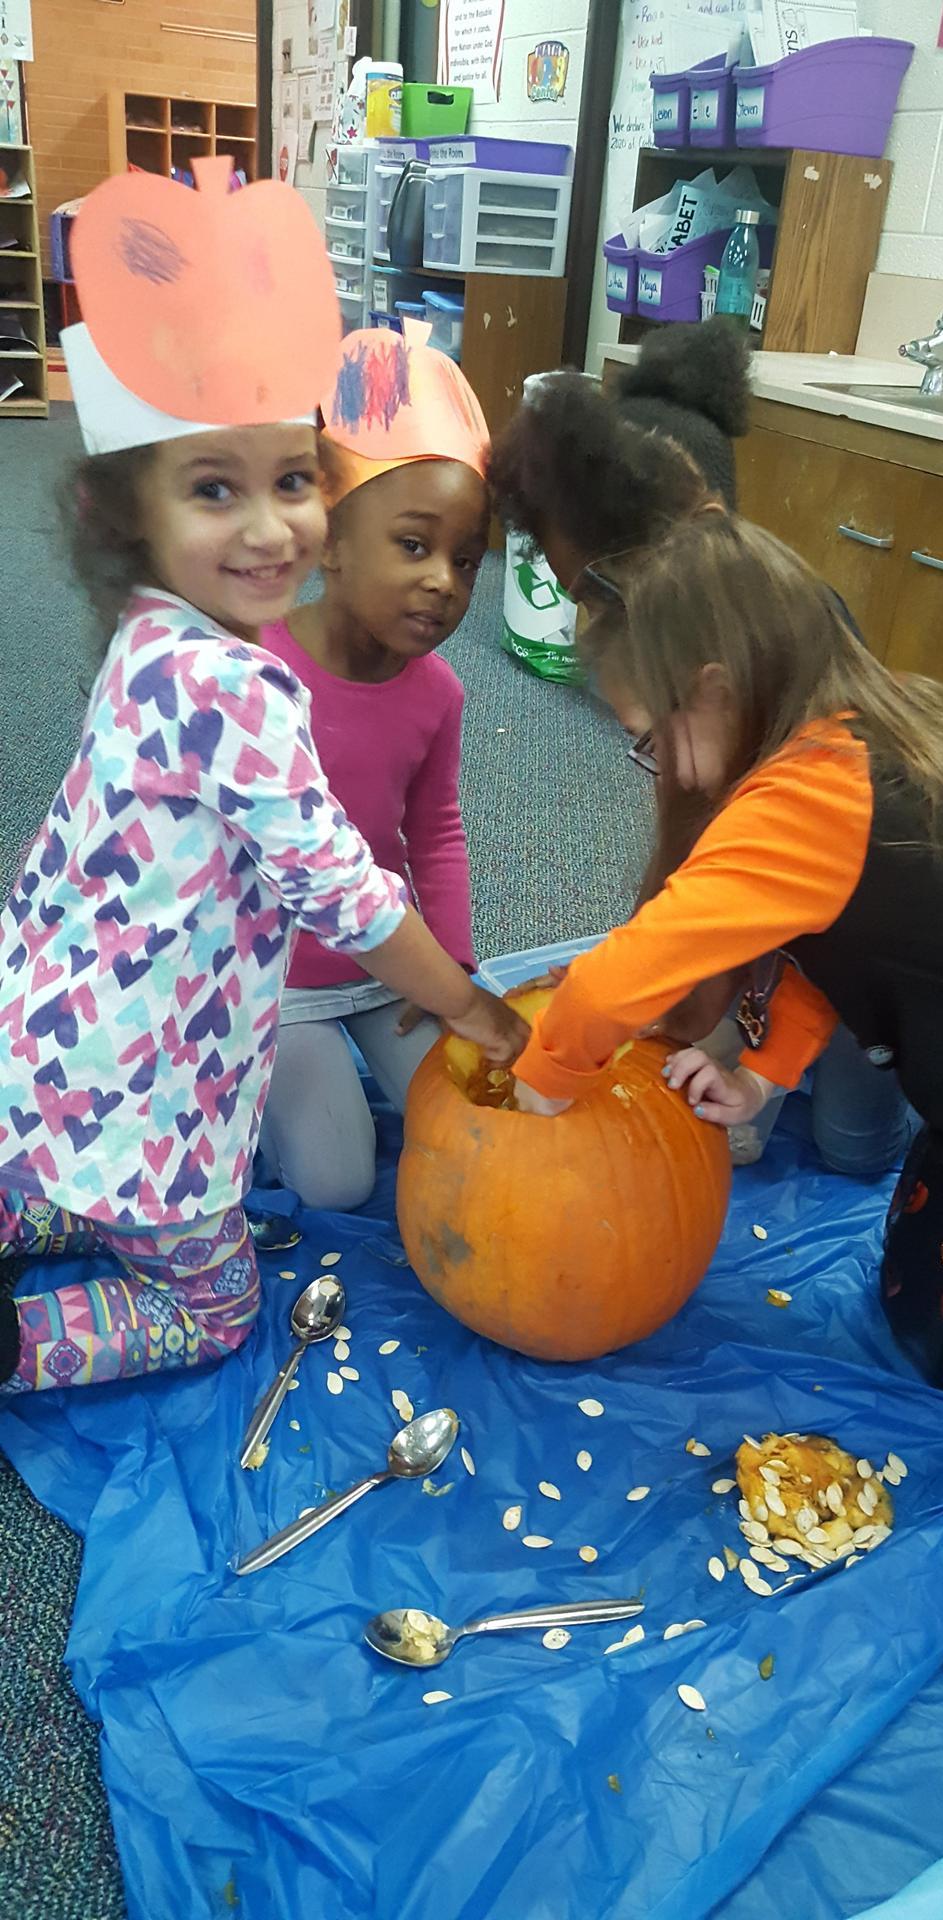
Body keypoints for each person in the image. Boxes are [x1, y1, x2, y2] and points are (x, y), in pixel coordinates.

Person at [0, 164, 523, 1396]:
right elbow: (345, 893)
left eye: (291, 481)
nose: (268, 529)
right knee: (218, 1305)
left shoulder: (151, 634)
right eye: (214, 489)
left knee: (52, 1184)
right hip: (150, 1074)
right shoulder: (233, 685)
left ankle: (51, 1205)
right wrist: (472, 1006)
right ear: (127, 516)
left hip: (61, 1044)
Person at [510, 508, 943, 1409]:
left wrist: (541, 1081)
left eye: (651, 740)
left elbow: (626, 972)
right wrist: (767, 1076)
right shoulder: (868, 732)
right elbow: (837, 944)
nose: (671, 773)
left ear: (714, 691)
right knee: (927, 1295)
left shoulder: (806, 799)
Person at [488, 321, 916, 1179]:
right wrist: (754, 1067)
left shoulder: (809, 749)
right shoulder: (742, 706)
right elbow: (764, 912)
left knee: (867, 1158)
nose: (594, 613)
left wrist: (553, 1070)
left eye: (602, 592)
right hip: (818, 948)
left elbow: (717, 925)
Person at [257, 331, 490, 1209]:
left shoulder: (440, 694)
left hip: (388, 962)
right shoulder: (255, 677)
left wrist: (454, 968)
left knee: (478, 1120)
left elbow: (435, 834)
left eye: (466, 561)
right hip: (274, 982)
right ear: (331, 540)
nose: (444, 583)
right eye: (414, 546)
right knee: (338, 1184)